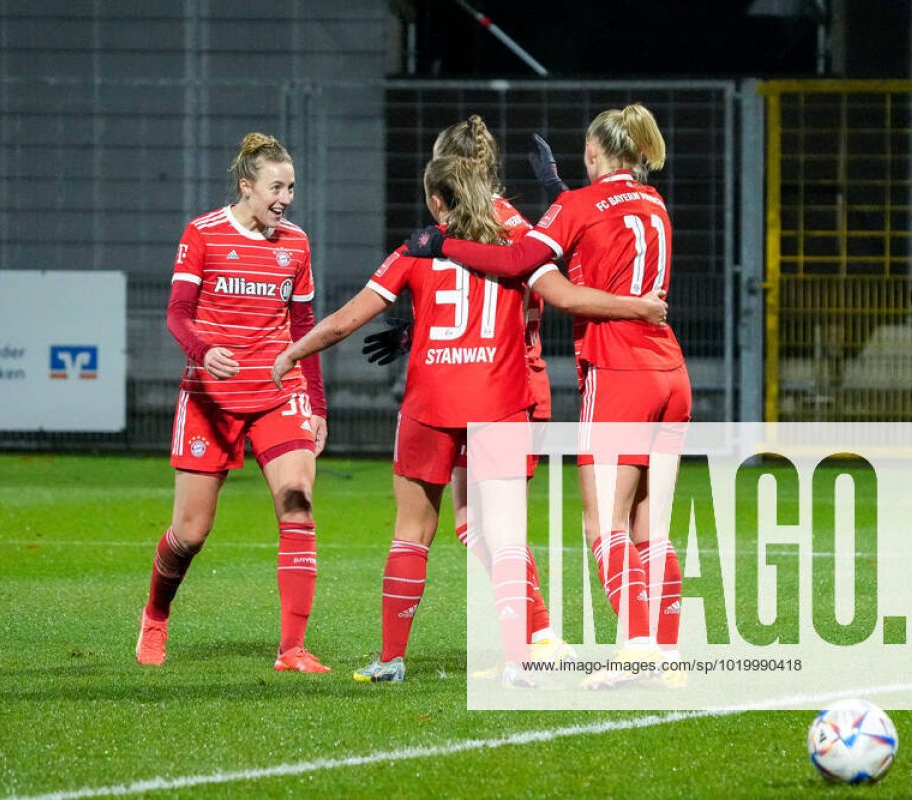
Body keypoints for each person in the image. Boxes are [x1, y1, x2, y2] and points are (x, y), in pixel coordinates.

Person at [273, 154, 663, 684]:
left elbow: (345, 321)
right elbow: (564, 292)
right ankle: (520, 661)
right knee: (505, 537)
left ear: (437, 201)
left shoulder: (416, 249)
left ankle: (391, 659)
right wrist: (635, 305)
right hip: (500, 403)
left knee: (411, 533)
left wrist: (292, 353)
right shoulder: (519, 247)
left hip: (429, 405)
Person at [404, 103, 691, 687]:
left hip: (617, 370)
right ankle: (663, 655)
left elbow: (521, 261)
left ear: (592, 151)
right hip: (671, 371)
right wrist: (558, 191)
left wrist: (441, 247)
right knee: (650, 528)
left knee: (603, 527)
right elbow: (600, 233)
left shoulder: (568, 207)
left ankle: (632, 649)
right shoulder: (653, 201)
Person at [363, 116, 581, 664]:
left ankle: (537, 636)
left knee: (489, 525)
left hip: (506, 382)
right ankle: (536, 633)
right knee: (476, 523)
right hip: (498, 377)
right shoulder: (513, 224)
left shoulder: (476, 230)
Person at [137, 132, 331, 673]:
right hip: (211, 397)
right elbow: (178, 314)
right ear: (246, 186)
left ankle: (292, 649)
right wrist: (204, 351)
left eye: (291, 188)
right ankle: (155, 616)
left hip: (278, 392)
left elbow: (304, 329)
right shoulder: (203, 234)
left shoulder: (296, 244)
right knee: (190, 532)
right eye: (276, 187)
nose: (285, 199)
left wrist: (316, 404)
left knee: (298, 506)